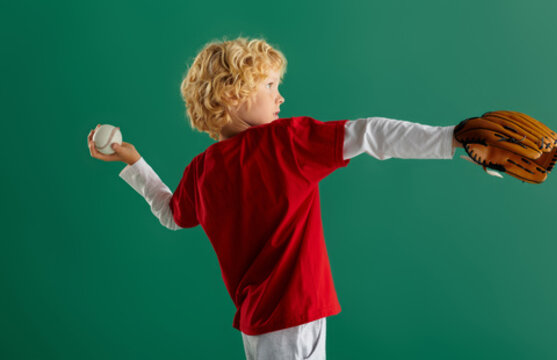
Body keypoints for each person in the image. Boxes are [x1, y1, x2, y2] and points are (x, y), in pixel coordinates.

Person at [86, 37, 464, 360]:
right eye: (269, 85)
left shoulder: (201, 170)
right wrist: (452, 138)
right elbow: (372, 134)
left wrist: (134, 161)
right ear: (233, 94)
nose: (279, 96)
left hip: (259, 322)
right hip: (293, 315)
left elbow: (171, 213)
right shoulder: (285, 142)